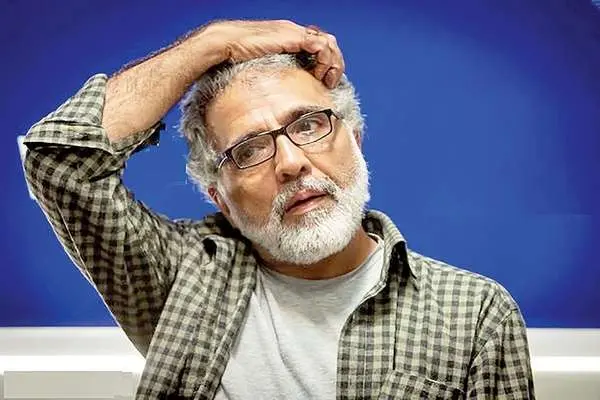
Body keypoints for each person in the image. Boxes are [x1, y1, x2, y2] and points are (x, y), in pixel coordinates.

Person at [22, 19, 535, 399]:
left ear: (355, 141)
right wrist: (212, 42)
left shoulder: (475, 315)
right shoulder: (177, 277)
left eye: (309, 125)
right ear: (219, 197)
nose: (290, 163)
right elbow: (58, 161)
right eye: (248, 151)